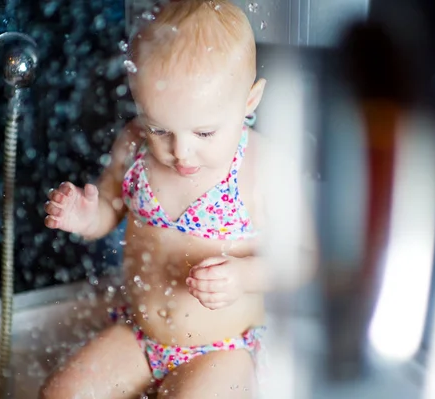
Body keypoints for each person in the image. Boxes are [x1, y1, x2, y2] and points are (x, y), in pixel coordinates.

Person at [40, 1, 317, 397]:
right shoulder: (134, 144)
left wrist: (243, 276)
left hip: (221, 350)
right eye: (160, 128)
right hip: (140, 338)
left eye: (204, 133)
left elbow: (303, 259)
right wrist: (87, 215)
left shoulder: (262, 166)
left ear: (249, 102)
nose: (181, 152)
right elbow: (110, 207)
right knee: (60, 393)